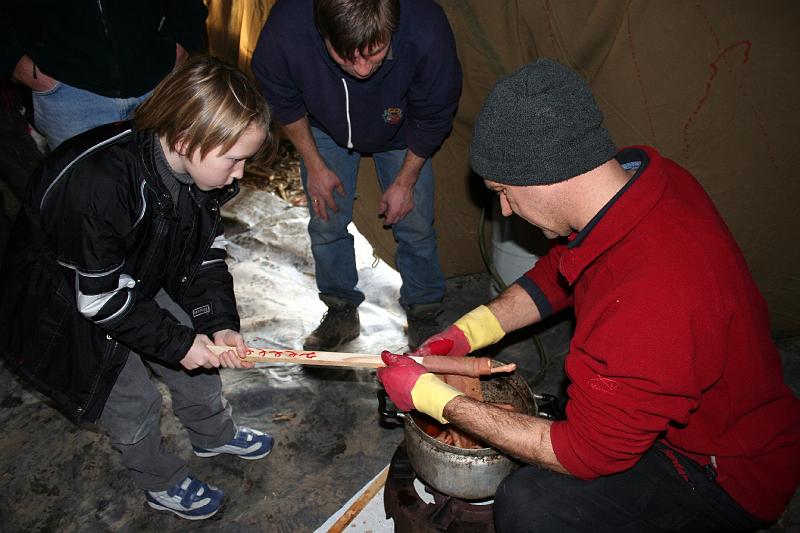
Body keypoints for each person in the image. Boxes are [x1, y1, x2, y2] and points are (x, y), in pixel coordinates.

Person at [377, 58, 800, 531]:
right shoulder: (640, 186)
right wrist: (466, 333)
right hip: (690, 414)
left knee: (531, 504)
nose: (505, 209)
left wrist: (431, 397)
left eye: (504, 190)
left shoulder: (651, 301)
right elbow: (560, 272)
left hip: (725, 471)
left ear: (545, 173)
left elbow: (585, 454)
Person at [0, 55, 277, 521]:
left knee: (198, 341)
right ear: (188, 140)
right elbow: (100, 298)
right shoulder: (98, 185)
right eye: (235, 160)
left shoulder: (203, 174)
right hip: (68, 295)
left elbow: (205, 254)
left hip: (134, 270)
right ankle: (158, 480)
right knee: (127, 393)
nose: (240, 175)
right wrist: (175, 342)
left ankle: (212, 434)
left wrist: (220, 323)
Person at [251, 0, 462, 351]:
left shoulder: (426, 26)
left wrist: (406, 181)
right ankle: (340, 309)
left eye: (375, 53)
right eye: (347, 57)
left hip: (401, 127)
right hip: (323, 124)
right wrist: (314, 165)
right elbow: (282, 99)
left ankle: (424, 313)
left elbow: (434, 113)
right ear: (322, 34)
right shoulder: (287, 29)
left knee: (415, 223)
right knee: (326, 221)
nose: (363, 69)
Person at [0, 0, 208, 150]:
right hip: (66, 91)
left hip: (160, 81)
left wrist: (181, 42)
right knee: (87, 201)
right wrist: (18, 64)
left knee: (171, 195)